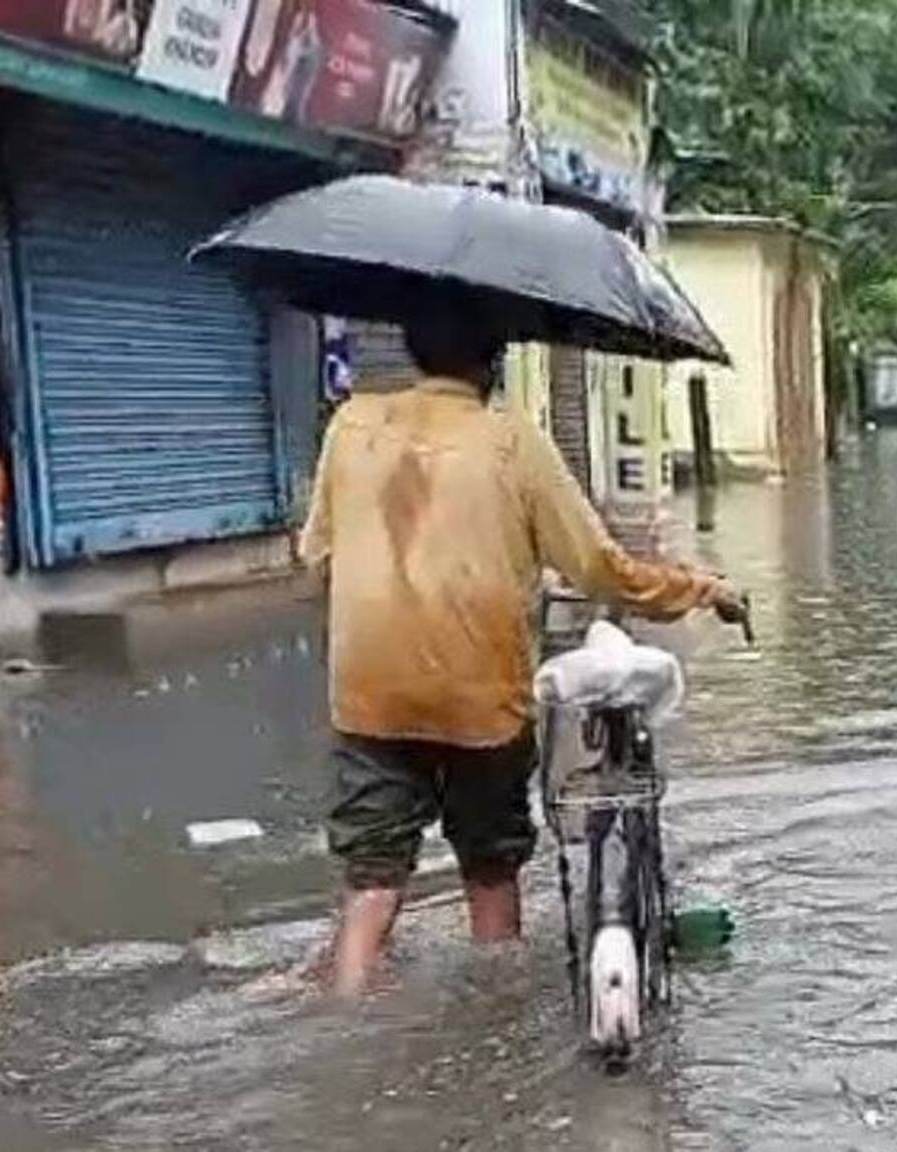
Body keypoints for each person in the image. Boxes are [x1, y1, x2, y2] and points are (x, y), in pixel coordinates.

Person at [299, 310, 744, 998]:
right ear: (495, 360)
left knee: (373, 879)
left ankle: (347, 1016)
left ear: (414, 352)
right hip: (480, 695)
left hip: (368, 690)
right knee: (490, 867)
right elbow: (602, 569)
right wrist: (701, 588)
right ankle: (496, 1022)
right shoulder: (512, 441)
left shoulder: (351, 426)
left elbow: (317, 557)